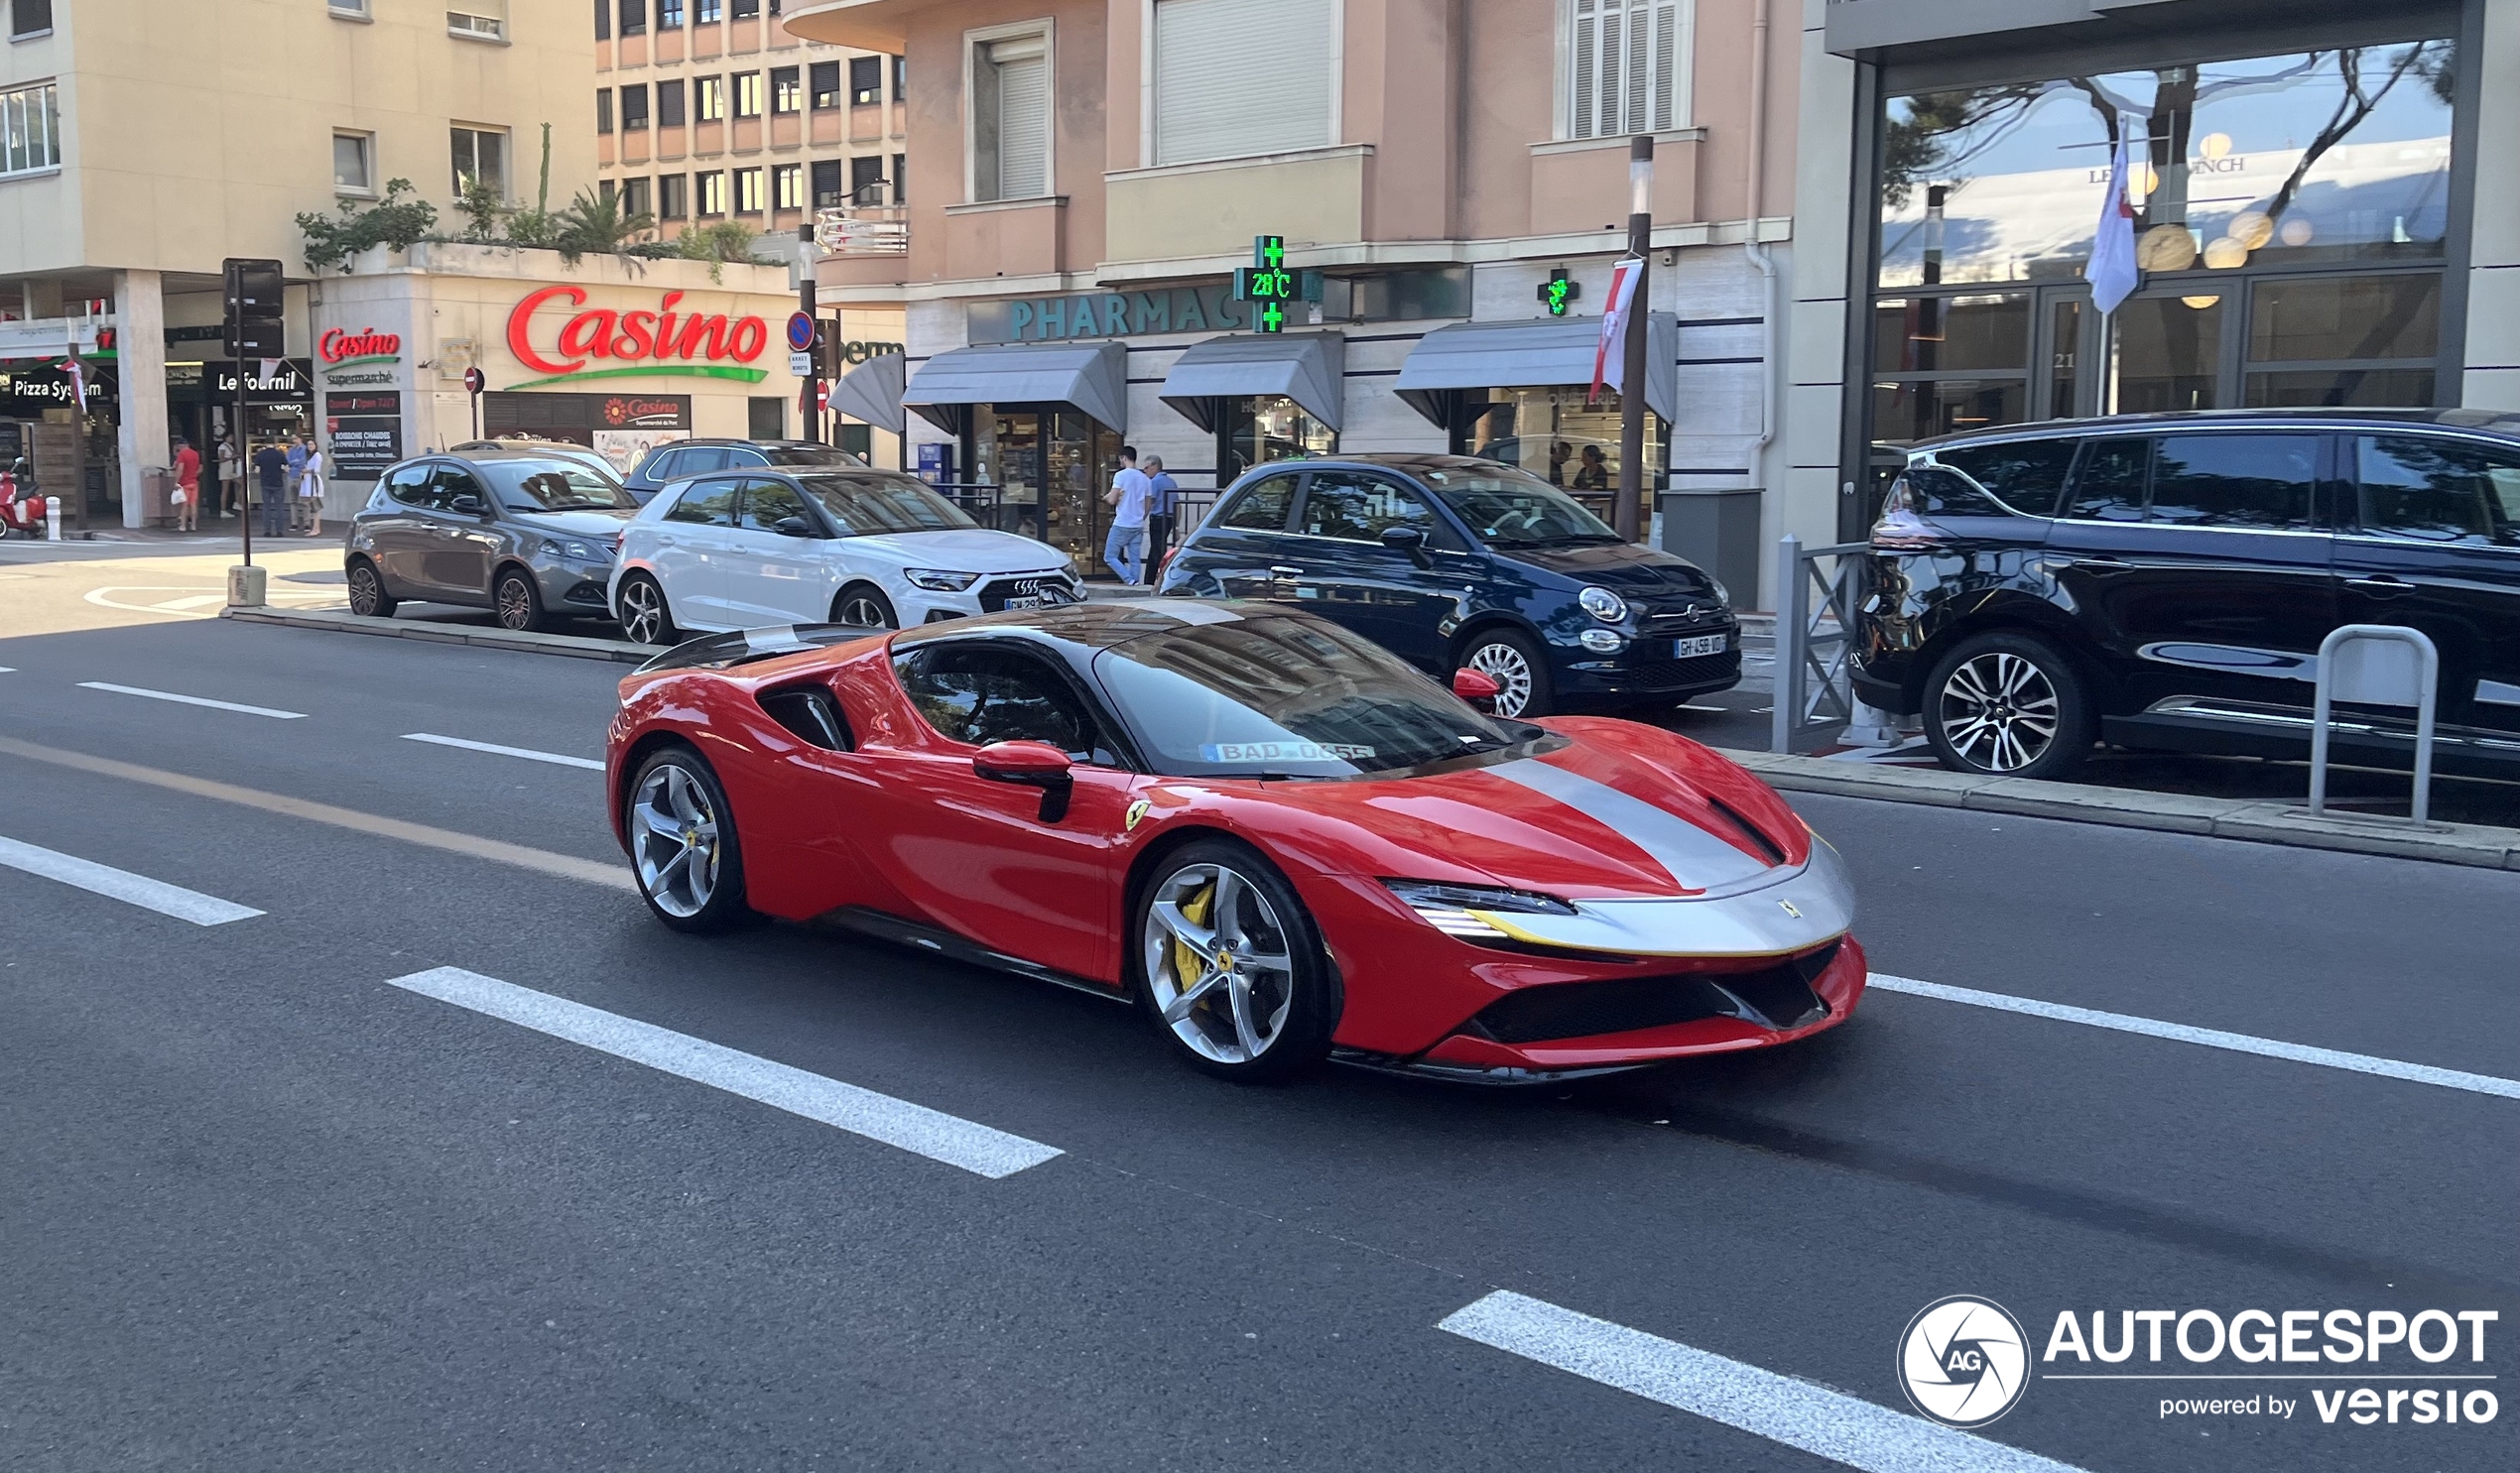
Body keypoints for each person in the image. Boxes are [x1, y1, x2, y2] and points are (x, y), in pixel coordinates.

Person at [1101, 445, 1154, 586]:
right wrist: (1141, 517)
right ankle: (1135, 584)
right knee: (1135, 559)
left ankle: (1129, 580)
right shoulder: (1145, 479)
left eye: (1121, 459)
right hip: (1137, 524)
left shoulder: (1120, 475)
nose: (1120, 462)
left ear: (1124, 458)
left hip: (1122, 523)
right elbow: (1148, 504)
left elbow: (1112, 499)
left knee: (1109, 556)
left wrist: (1106, 497)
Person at [1142, 455, 1178, 573]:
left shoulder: (1154, 482)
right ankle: (1151, 578)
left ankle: (1157, 576)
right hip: (1169, 518)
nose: (1145, 471)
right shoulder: (1171, 482)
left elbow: (1149, 501)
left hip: (1158, 518)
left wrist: (1141, 516)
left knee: (1156, 551)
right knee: (1156, 549)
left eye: (1147, 467)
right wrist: (1176, 526)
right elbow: (1178, 505)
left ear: (1155, 466)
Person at [253, 439, 289, 540]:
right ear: (275, 444)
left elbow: (257, 470)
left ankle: (267, 531)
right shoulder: (280, 454)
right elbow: (286, 469)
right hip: (278, 483)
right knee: (279, 508)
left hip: (265, 483)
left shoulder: (261, 455)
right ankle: (279, 531)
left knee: (266, 507)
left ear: (265, 444)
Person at [171, 436, 200, 533]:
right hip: (194, 482)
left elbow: (180, 469)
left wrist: (176, 482)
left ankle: (183, 526)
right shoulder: (195, 454)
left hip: (185, 483)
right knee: (193, 504)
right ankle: (194, 526)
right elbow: (198, 467)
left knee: (184, 505)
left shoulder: (182, 455)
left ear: (180, 446)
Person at [297, 439, 326, 537]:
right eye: (308, 444)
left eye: (311, 444)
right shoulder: (309, 456)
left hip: (313, 483)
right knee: (312, 506)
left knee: (315, 507)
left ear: (315, 445)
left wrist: (306, 471)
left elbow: (316, 470)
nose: (310, 446)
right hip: (307, 482)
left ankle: (316, 528)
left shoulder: (317, 455)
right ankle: (316, 528)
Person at [284, 435, 312, 533]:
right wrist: (293, 462)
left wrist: (293, 463)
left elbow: (302, 462)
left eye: (295, 438)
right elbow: (287, 461)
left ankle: (306, 523)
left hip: (301, 476)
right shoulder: (291, 450)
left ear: (300, 439)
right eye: (292, 439)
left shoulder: (305, 449)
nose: (293, 441)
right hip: (291, 476)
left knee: (305, 501)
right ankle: (294, 523)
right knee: (293, 501)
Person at [216, 435, 240, 518]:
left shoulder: (230, 446)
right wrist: (232, 457)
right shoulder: (222, 447)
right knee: (225, 490)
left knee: (242, 483)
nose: (232, 438)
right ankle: (223, 510)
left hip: (230, 469)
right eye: (230, 437)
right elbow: (221, 459)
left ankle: (237, 502)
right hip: (225, 468)